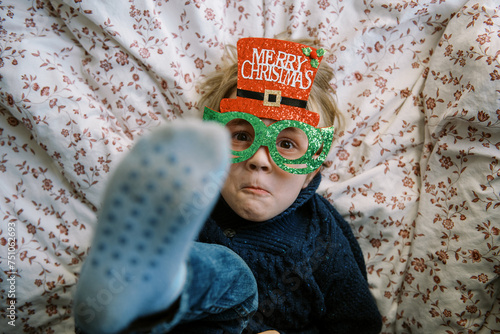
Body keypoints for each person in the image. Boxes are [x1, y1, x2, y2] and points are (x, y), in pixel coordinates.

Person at [73, 37, 382, 334]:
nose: (260, 160)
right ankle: (124, 298)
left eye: (286, 143)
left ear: (310, 173)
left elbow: (360, 325)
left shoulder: (322, 240)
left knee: (233, 276)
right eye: (242, 136)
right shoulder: (190, 204)